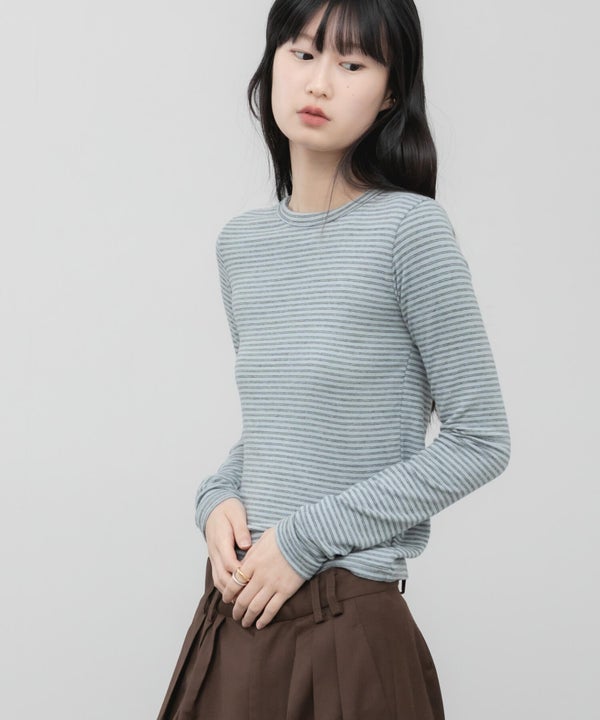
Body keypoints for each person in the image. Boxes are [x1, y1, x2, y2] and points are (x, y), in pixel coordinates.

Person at [156, 1, 511, 718]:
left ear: (390, 94)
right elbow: (286, 424)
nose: (319, 82)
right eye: (302, 53)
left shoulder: (409, 231)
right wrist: (217, 494)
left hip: (347, 628)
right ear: (271, 65)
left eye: (352, 63)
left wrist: (302, 540)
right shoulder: (243, 246)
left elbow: (481, 440)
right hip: (237, 618)